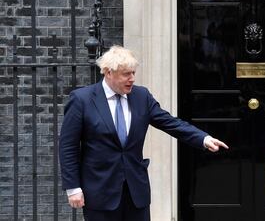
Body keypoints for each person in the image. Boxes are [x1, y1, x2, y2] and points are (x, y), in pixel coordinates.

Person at [59, 45, 229, 221]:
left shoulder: (141, 96)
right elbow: (68, 147)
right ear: (108, 73)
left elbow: (170, 122)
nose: (132, 79)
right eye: (126, 74)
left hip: (136, 192)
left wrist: (203, 138)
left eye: (133, 73)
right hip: (99, 190)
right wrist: (73, 188)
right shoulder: (82, 99)